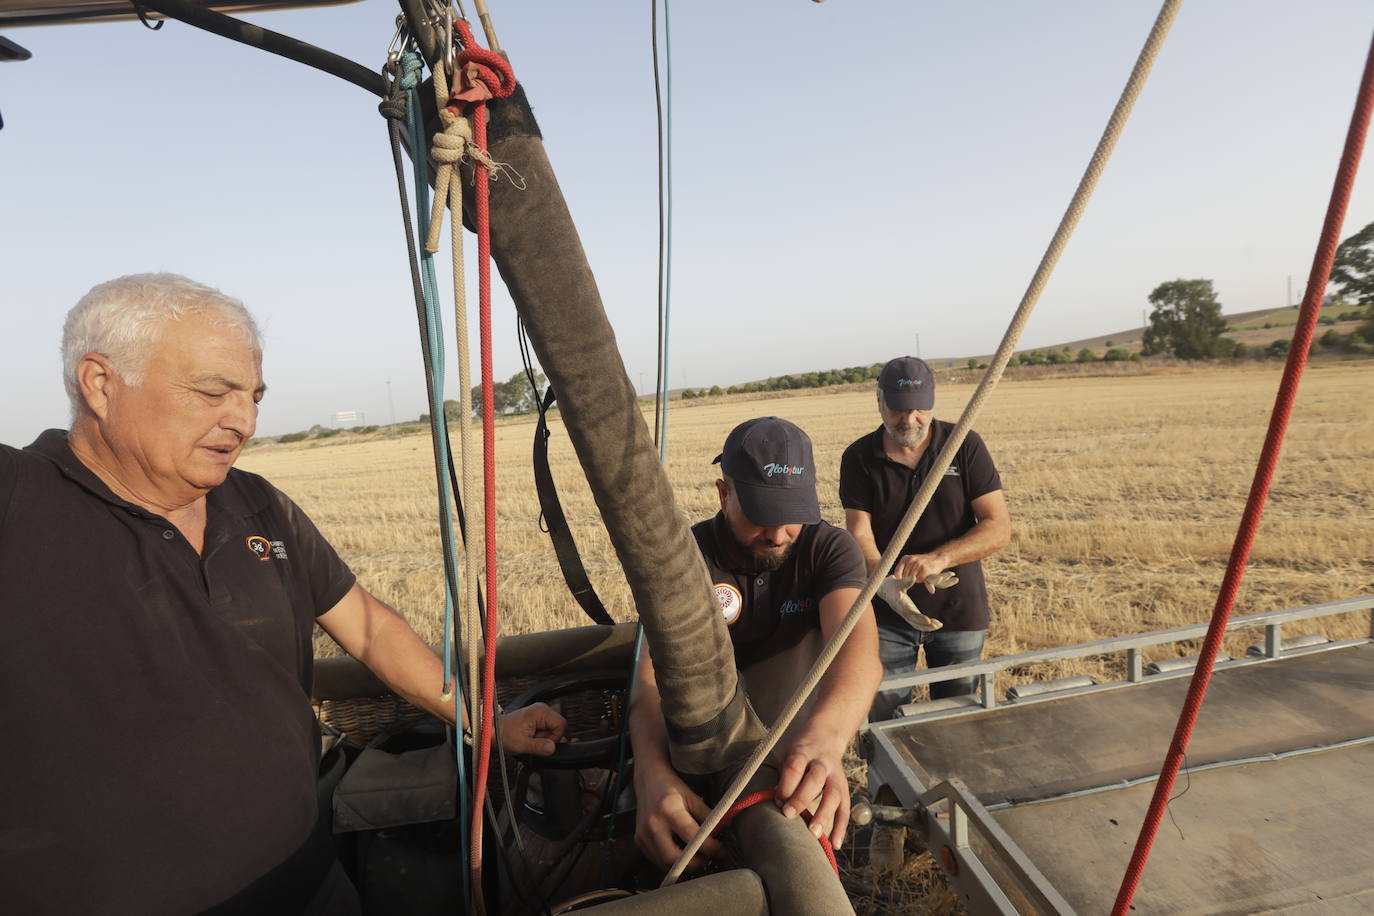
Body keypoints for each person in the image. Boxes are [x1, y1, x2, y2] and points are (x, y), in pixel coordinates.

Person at [0, 274, 564, 915]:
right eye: (213, 392)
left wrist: (483, 722)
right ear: (100, 384)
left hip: (308, 886)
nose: (243, 421)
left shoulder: (258, 504)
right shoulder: (18, 500)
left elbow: (370, 629)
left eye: (254, 396)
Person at [629, 416, 882, 872]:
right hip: (699, 757)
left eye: (792, 514)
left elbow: (858, 654)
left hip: (795, 755)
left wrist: (826, 739)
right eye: (761, 514)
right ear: (723, 494)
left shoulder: (829, 549)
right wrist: (649, 770)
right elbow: (648, 676)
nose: (778, 534)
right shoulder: (688, 558)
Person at [840, 356, 1011, 721]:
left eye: (920, 408)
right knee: (883, 721)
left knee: (956, 721)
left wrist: (939, 560)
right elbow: (859, 532)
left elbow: (998, 527)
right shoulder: (858, 457)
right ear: (879, 401)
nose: (910, 419)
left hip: (959, 614)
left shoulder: (963, 445)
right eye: (899, 409)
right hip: (887, 618)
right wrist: (885, 585)